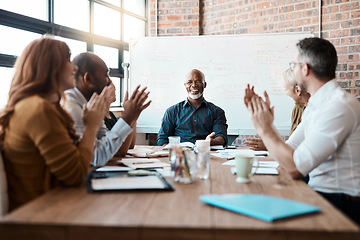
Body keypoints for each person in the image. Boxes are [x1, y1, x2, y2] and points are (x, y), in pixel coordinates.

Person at [0, 37, 146, 211]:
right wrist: (91, 126)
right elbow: (76, 174)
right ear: (50, 68)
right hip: (40, 214)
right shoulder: (38, 109)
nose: (74, 68)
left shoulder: (45, 107)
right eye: (67, 61)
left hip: (52, 205)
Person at [244, 37, 360, 224]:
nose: (293, 69)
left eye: (294, 64)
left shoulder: (338, 106)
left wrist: (265, 129)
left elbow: (295, 168)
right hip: (320, 196)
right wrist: (266, 125)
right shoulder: (316, 104)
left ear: (305, 69)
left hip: (340, 206)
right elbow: (288, 151)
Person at [64, 52, 147, 167]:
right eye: (105, 75)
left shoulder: (91, 105)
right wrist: (127, 119)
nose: (109, 81)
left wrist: (129, 118)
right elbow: (98, 157)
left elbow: (106, 147)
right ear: (88, 79)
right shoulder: (71, 106)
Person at [157, 69, 228, 146]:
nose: (194, 85)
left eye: (198, 81)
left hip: (206, 154)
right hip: (181, 154)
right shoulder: (172, 111)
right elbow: (162, 139)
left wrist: (211, 142)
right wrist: (172, 152)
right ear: (185, 85)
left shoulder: (217, 112)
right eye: (189, 82)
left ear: (205, 85)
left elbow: (222, 138)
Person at [245, 68, 310, 151]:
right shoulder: (298, 109)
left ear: (297, 90)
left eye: (286, 89)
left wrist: (269, 143)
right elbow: (292, 144)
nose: (286, 93)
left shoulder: (314, 112)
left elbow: (296, 149)